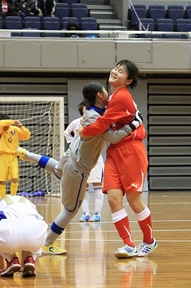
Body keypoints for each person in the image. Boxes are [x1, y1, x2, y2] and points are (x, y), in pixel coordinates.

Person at [18, 81, 143, 255]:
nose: (108, 93)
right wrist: (134, 124)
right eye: (105, 91)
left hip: (69, 157)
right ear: (100, 95)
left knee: (57, 169)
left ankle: (26, 154)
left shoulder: (97, 112)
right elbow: (113, 138)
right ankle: (47, 243)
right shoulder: (93, 116)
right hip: (78, 168)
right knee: (71, 210)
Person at [79, 59, 158, 259]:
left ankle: (149, 241)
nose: (115, 71)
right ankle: (128, 244)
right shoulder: (114, 97)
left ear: (128, 80)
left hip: (131, 151)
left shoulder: (122, 97)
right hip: (114, 151)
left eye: (121, 71)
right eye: (115, 67)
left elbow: (103, 123)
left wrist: (83, 132)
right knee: (114, 200)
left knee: (133, 200)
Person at [64, 102, 104, 222]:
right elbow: (66, 133)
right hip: (80, 159)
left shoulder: (98, 122)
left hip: (95, 158)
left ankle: (97, 214)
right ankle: (85, 213)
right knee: (82, 188)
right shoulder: (76, 122)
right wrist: (73, 144)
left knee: (98, 186)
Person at [0, 195, 47, 277]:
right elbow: (25, 232)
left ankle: (11, 260)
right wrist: (24, 266)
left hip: (9, 236)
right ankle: (30, 259)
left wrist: (1, 268)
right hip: (34, 235)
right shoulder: (30, 204)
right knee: (32, 230)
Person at [0, 114, 31, 199]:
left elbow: (27, 136)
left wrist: (21, 126)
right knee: (2, 180)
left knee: (15, 178)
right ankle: (3, 199)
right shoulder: (0, 130)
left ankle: (13, 197)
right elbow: (0, 123)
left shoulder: (15, 130)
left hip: (13, 156)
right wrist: (13, 121)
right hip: (2, 156)